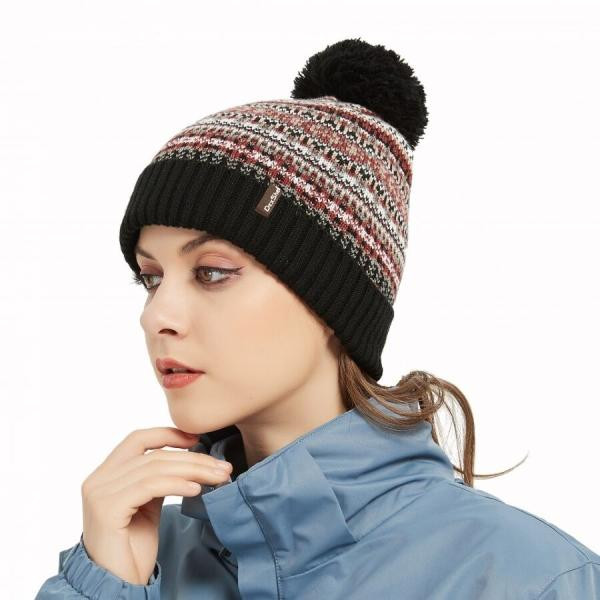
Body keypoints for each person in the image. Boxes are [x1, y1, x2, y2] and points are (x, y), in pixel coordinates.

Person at [35, 37, 600, 599]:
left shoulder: (531, 579)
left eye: (211, 272)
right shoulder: (137, 560)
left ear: (333, 299)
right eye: (151, 278)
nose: (156, 316)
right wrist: (100, 586)